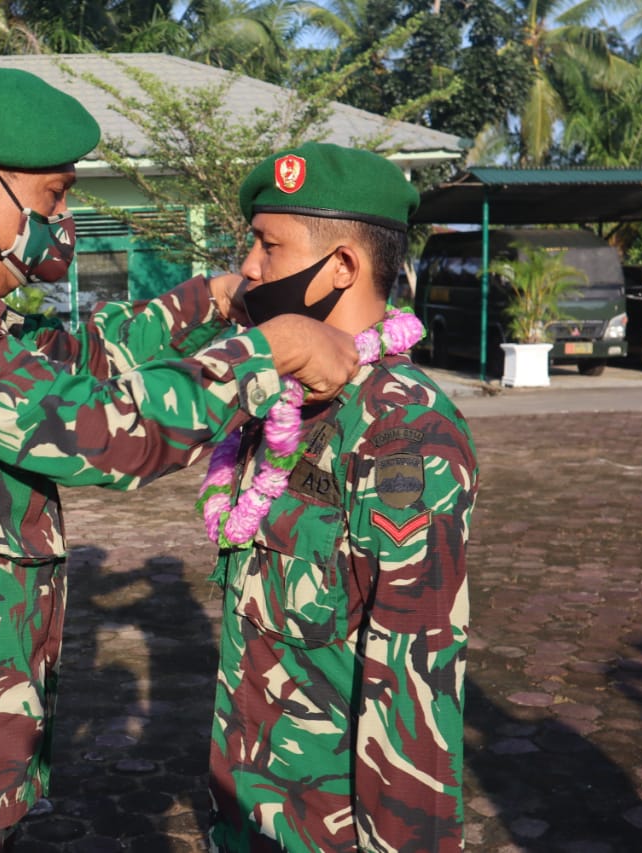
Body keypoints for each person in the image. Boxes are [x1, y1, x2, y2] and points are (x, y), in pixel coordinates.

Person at [0, 66, 361, 851]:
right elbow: (101, 429)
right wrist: (270, 353)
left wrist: (209, 301)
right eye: (55, 196)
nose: (66, 219)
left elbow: (77, 357)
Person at [199, 143, 479, 852]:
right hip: (246, 808)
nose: (250, 267)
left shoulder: (404, 432)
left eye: (268, 245)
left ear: (343, 268)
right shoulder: (286, 400)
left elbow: (415, 690)